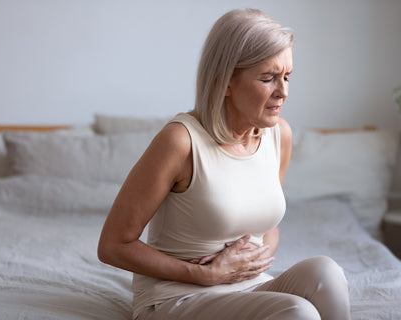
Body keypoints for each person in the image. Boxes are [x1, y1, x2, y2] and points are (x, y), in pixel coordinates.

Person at [98, 8, 350, 320]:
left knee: (326, 272)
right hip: (177, 297)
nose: (282, 92)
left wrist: (249, 263)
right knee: (298, 312)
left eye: (287, 77)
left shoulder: (278, 135)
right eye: (268, 78)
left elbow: (267, 228)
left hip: (246, 287)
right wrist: (204, 274)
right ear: (225, 81)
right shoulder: (181, 141)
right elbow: (112, 245)